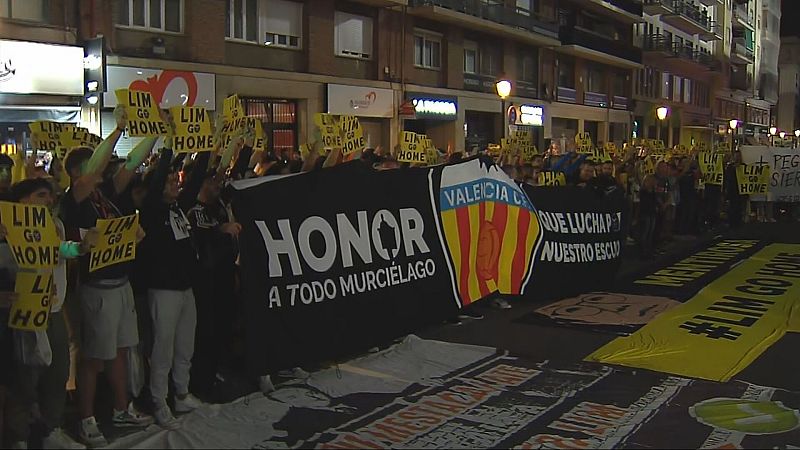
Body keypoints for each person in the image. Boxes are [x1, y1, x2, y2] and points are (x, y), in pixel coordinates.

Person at [60, 107, 154, 447]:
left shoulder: (107, 197)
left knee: (119, 351)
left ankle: (120, 408)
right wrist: (118, 131)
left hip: (120, 284)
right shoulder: (74, 200)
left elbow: (130, 167)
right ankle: (85, 418)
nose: (104, 170)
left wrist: (156, 132)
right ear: (75, 172)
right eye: (95, 165)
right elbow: (92, 174)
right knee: (94, 358)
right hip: (96, 288)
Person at [1, 178, 99, 449]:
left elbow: (59, 250)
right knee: (23, 378)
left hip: (52, 308)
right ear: (23, 201)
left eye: (50, 195)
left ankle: (50, 429)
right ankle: (19, 436)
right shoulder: (6, 227)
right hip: (22, 309)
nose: (49, 200)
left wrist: (79, 248)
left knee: (57, 372)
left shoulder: (53, 225)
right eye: (41, 195)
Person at [139, 141, 203, 430]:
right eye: (168, 181)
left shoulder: (178, 208)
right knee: (163, 348)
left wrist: (207, 145)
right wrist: (166, 147)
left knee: (184, 345)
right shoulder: (152, 210)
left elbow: (196, 179)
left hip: (185, 288)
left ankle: (181, 393)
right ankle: (159, 400)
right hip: (163, 289)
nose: (175, 184)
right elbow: (157, 181)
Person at [639, 175, 658, 259]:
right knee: (645, 232)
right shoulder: (643, 192)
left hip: (652, 213)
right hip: (645, 213)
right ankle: (643, 251)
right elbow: (643, 204)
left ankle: (649, 250)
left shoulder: (653, 192)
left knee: (650, 232)